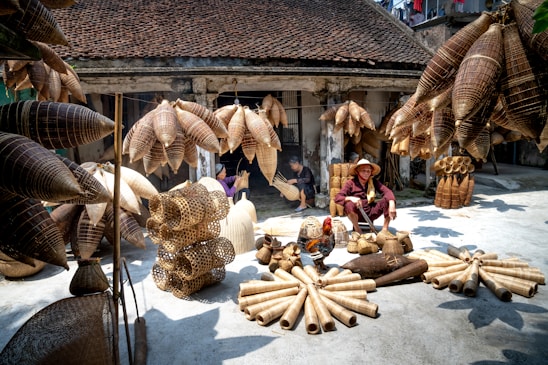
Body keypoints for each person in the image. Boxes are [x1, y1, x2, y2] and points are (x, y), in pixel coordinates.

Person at [334, 159, 397, 234]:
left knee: (389, 200)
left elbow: (387, 191)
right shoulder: (350, 183)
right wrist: (351, 198)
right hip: (357, 213)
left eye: (368, 171)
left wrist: (392, 203)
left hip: (371, 211)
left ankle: (384, 230)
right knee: (348, 205)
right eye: (363, 171)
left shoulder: (373, 182)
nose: (366, 173)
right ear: (358, 172)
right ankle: (357, 229)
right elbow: (337, 198)